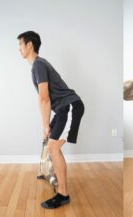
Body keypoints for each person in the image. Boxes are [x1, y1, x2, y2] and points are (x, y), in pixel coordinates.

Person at [18, 31, 85, 209]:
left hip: (70, 106)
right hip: (63, 107)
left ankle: (63, 195)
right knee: (50, 144)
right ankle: (49, 173)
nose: (19, 49)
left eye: (21, 45)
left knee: (54, 148)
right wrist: (47, 127)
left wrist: (45, 125)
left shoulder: (38, 65)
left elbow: (44, 98)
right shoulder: (39, 65)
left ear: (30, 45)